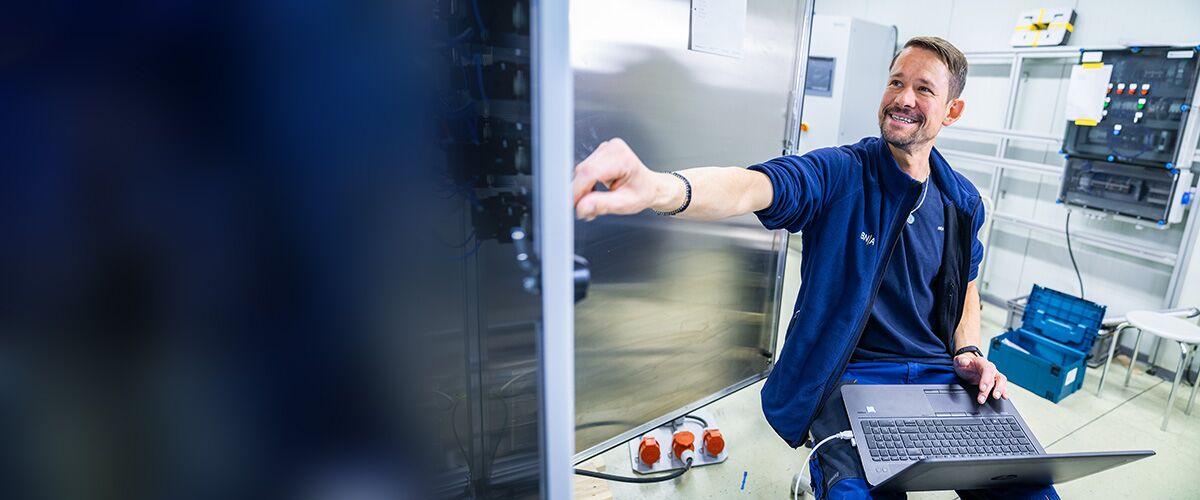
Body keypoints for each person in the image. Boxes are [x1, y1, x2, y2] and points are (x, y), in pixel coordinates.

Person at [570, 36, 1058, 499]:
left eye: (923, 88)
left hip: (938, 377)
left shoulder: (961, 200)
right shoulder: (842, 173)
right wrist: (659, 188)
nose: (903, 98)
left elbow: (966, 288)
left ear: (952, 110)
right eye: (895, 81)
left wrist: (968, 350)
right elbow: (752, 187)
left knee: (1029, 487)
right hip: (853, 378)